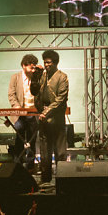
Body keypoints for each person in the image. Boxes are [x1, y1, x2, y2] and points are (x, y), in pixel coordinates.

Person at [32, 50, 68, 184]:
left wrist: (46, 112)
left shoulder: (62, 77)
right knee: (45, 152)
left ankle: (62, 180)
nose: (46, 65)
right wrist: (35, 76)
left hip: (56, 117)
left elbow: (60, 99)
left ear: (55, 63)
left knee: (60, 152)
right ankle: (45, 180)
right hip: (43, 116)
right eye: (45, 62)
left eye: (48, 62)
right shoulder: (42, 76)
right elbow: (34, 92)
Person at [6, 54, 41, 169]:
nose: (33, 70)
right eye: (31, 67)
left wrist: (41, 72)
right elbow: (11, 94)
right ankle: (18, 164)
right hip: (20, 113)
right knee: (19, 137)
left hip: (33, 113)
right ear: (23, 66)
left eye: (34, 67)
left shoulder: (37, 76)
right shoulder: (15, 77)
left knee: (32, 138)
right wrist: (16, 107)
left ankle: (31, 166)